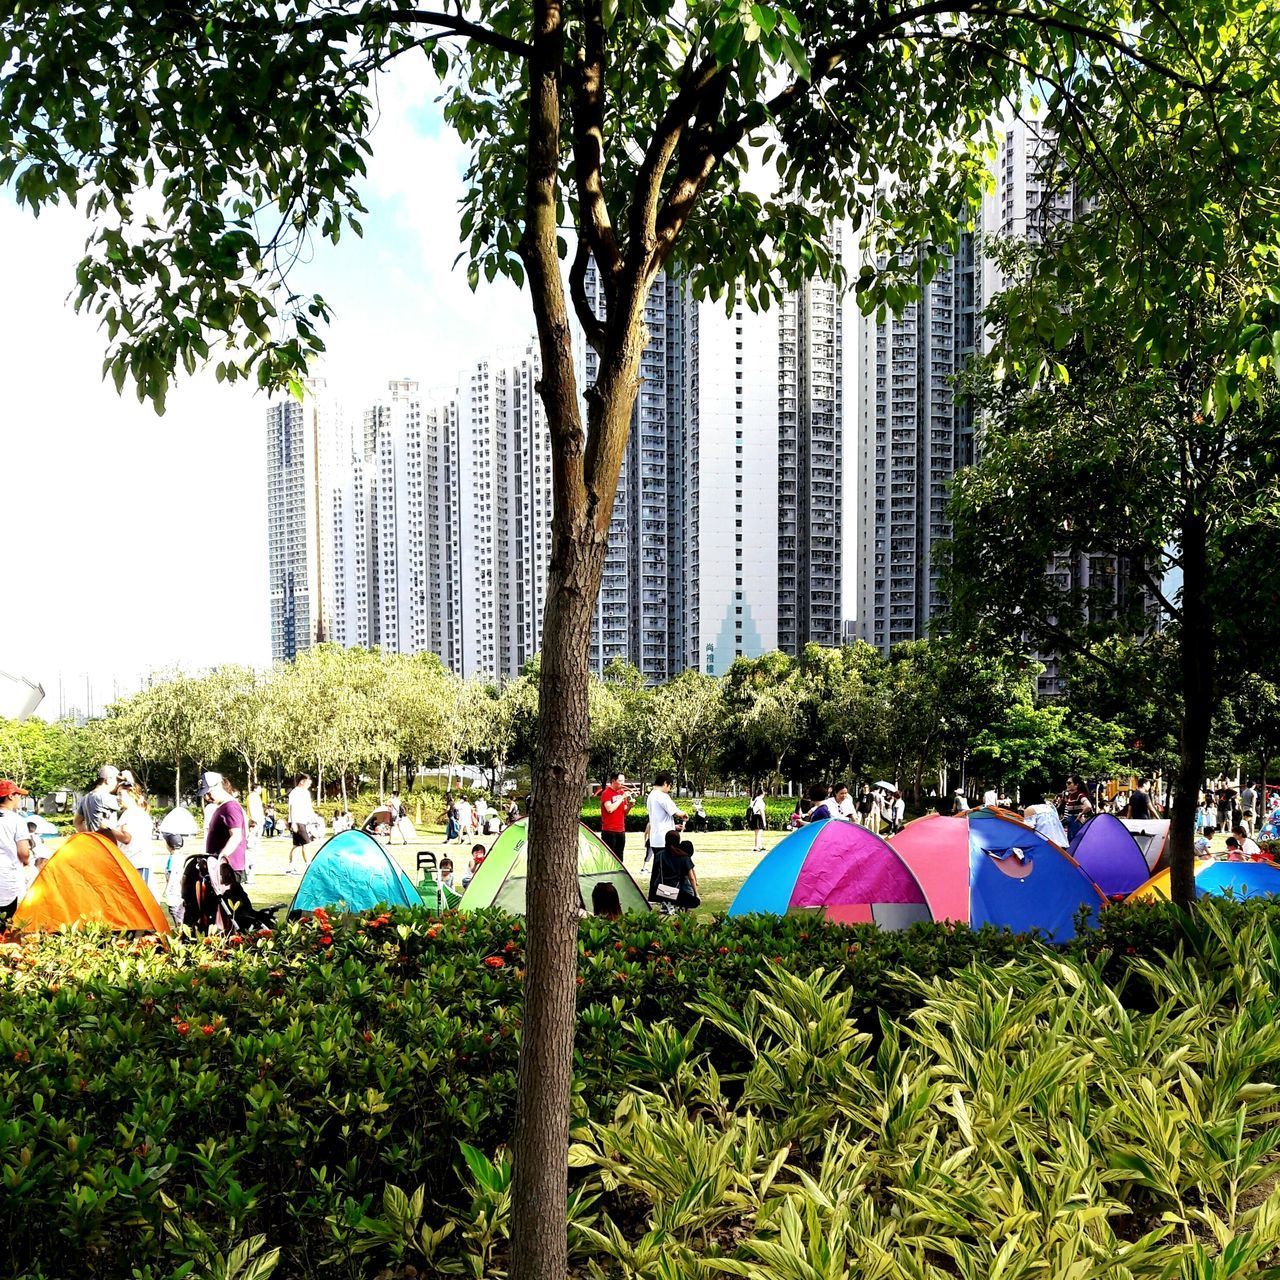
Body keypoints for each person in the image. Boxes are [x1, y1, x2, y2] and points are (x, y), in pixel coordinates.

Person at [199, 772, 248, 888]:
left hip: (228, 868)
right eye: (205, 795)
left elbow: (236, 836)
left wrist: (221, 857)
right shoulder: (222, 807)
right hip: (221, 867)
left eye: (209, 793)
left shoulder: (230, 807)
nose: (207, 798)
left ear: (219, 785)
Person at [74, 764, 132, 849]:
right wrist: (130, 780)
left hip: (95, 846)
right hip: (107, 845)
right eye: (117, 780)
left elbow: (77, 822)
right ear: (108, 780)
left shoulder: (86, 798)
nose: (118, 783)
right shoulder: (104, 797)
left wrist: (92, 837)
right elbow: (132, 802)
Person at [0, 779, 34, 924]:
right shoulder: (16, 820)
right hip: (6, 878)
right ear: (10, 796)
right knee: (6, 922)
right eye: (18, 794)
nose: (20, 798)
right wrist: (28, 859)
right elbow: (23, 853)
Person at [116, 771, 155, 886]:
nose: (117, 798)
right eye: (117, 794)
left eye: (120, 795)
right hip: (134, 864)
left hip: (135, 864)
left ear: (131, 795)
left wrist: (106, 828)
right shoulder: (138, 812)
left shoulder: (130, 813)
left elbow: (126, 838)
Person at [644, 773, 686, 874]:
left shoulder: (651, 796)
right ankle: (662, 890)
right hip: (664, 839)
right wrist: (684, 814)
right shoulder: (662, 796)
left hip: (655, 838)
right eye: (670, 785)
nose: (669, 788)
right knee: (665, 871)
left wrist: (674, 826)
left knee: (657, 869)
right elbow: (676, 812)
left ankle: (653, 890)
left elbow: (658, 817)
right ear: (665, 783)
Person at [651, 829, 698, 913]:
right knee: (694, 901)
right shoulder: (684, 857)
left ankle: (667, 903)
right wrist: (696, 894)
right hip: (675, 891)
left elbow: (654, 874)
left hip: (660, 890)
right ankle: (675, 904)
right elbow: (691, 878)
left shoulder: (659, 855)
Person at [599, 771, 634, 863]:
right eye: (620, 781)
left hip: (621, 830)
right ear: (613, 780)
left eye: (624, 781)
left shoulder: (621, 792)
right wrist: (622, 797)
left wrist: (629, 806)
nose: (623, 783)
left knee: (619, 856)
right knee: (608, 857)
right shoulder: (606, 793)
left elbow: (624, 812)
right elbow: (609, 809)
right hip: (609, 831)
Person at [287, 773, 317, 873]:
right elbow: (292, 807)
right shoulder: (295, 792)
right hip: (297, 821)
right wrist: (293, 822)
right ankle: (308, 865)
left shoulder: (305, 793)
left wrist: (314, 817)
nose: (309, 785)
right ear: (302, 781)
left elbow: (308, 807)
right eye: (308, 783)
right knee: (306, 843)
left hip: (303, 821)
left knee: (297, 845)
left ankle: (291, 866)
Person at [1057, 775, 1094, 840]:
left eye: (1069, 783)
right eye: (1066, 783)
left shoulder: (1079, 795)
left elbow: (1088, 806)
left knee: (1074, 843)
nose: (1067, 785)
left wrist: (1081, 814)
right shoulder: (1071, 796)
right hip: (1071, 824)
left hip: (1076, 824)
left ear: (1076, 785)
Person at [246, 784, 266, 885]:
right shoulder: (253, 796)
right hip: (255, 821)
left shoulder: (253, 796)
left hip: (256, 820)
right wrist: (256, 821)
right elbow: (254, 809)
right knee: (253, 840)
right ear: (256, 788)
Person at [747, 787, 767, 853]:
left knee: (758, 832)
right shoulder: (760, 800)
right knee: (758, 833)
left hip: (754, 817)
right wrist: (764, 821)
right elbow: (762, 811)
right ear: (763, 793)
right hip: (758, 817)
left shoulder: (755, 799)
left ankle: (759, 846)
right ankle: (756, 846)